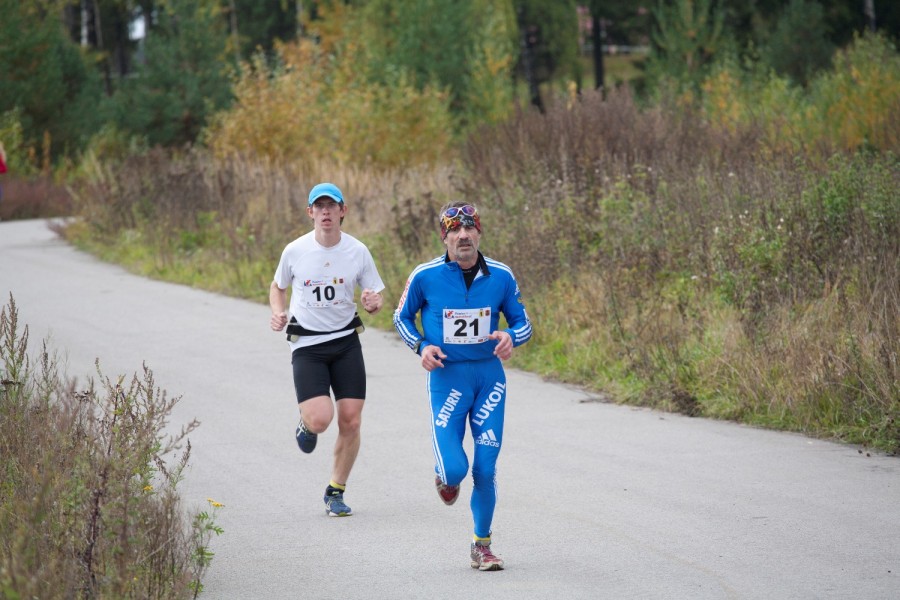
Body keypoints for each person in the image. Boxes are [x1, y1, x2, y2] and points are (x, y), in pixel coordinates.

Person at [393, 201, 533, 571]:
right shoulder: (425, 276)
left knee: (485, 470)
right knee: (456, 469)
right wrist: (421, 346)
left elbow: (524, 323)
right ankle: (444, 476)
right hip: (448, 378)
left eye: (469, 228)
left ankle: (481, 545)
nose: (463, 235)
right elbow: (401, 316)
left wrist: (511, 337)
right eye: (454, 230)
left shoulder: (501, 275)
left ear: (479, 233)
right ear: (445, 237)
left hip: (489, 379)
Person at [269, 182, 385, 517]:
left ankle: (336, 490)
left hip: (346, 342)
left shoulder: (357, 251)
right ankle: (307, 423)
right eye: (319, 207)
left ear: (342, 211)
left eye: (331, 206)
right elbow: (277, 287)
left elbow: (374, 295)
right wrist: (278, 311)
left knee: (351, 420)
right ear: (310, 213)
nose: (325, 212)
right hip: (307, 345)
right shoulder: (295, 251)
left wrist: (373, 301)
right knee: (321, 420)